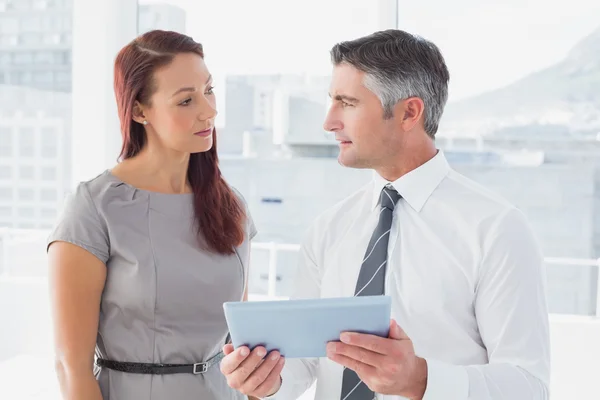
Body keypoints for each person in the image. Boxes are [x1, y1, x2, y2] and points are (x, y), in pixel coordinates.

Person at [220, 29, 550, 400]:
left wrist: (420, 380)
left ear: (409, 112)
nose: (328, 122)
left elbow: (528, 386)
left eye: (347, 102)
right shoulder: (330, 228)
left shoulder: (496, 228)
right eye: (332, 101)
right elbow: (308, 362)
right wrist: (266, 380)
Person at [46, 30, 272, 400]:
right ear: (139, 110)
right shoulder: (94, 207)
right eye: (186, 100)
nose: (209, 110)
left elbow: (242, 345)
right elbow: (71, 366)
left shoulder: (231, 205)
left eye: (209, 90)